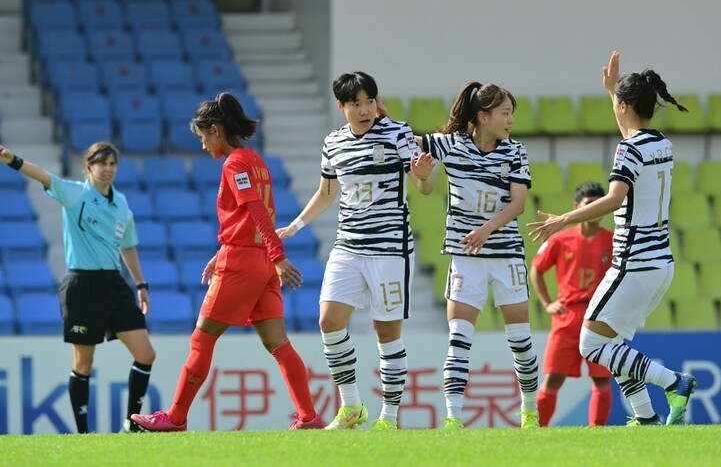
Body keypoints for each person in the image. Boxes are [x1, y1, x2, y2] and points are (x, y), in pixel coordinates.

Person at [132, 92, 323, 431]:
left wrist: (277, 255)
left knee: (201, 340)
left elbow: (256, 212)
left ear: (216, 130)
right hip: (259, 262)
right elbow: (250, 218)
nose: (204, 144)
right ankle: (308, 416)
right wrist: (229, 253)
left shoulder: (234, 163)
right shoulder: (257, 161)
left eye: (204, 136)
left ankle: (175, 418)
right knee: (278, 344)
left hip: (246, 263)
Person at [529, 51, 697, 426]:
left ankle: (674, 382)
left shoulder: (629, 149)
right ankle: (646, 417)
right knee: (611, 347)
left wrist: (564, 219)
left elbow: (615, 198)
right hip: (660, 265)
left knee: (591, 346)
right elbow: (631, 132)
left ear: (624, 106)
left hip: (633, 264)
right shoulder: (661, 144)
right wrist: (612, 94)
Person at [277, 71, 435, 430]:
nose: (364, 110)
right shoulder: (333, 142)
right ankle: (351, 407)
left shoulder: (398, 133)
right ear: (341, 106)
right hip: (347, 246)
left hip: (389, 249)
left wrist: (424, 174)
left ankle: (389, 418)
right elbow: (327, 193)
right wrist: (296, 225)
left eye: (369, 102)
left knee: (386, 332)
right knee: (329, 321)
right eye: (355, 103)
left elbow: (424, 187)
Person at [0, 141, 156, 434]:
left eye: (112, 164)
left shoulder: (120, 202)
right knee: (84, 362)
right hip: (81, 285)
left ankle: (131, 425)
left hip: (114, 284)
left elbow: (128, 246)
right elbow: (44, 176)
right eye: (102, 163)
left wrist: (141, 284)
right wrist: (13, 160)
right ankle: (83, 434)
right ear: (88, 167)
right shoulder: (76, 194)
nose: (108, 169)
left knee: (145, 353)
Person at [419, 81, 540, 430]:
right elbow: (421, 177)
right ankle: (454, 417)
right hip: (466, 258)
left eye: (512, 114)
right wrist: (423, 178)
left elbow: (518, 204)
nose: (511, 120)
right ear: (483, 116)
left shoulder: (515, 151)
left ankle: (529, 411)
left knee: (520, 342)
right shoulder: (450, 146)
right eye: (505, 113)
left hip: (505, 256)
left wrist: (486, 230)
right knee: (459, 339)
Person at [530, 181, 614, 427]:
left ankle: (597, 434)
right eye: (590, 205)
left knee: (601, 380)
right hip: (567, 316)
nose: (595, 210)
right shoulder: (560, 239)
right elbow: (536, 270)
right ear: (577, 207)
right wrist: (547, 303)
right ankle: (538, 432)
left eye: (600, 205)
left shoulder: (614, 240)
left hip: (599, 316)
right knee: (553, 378)